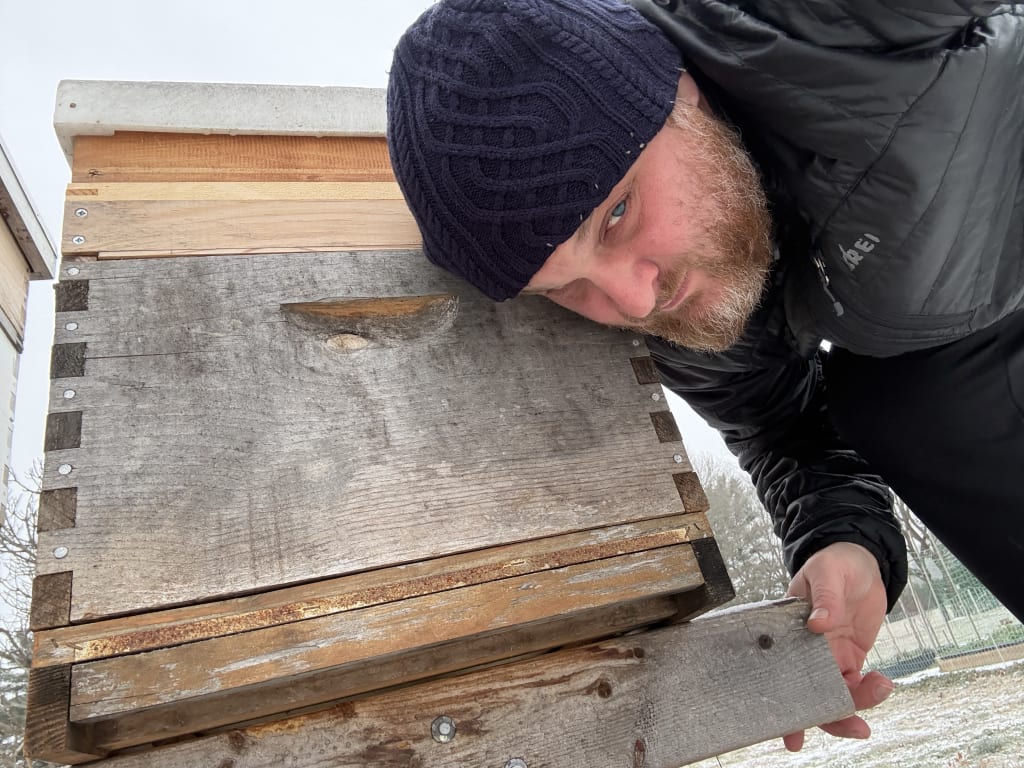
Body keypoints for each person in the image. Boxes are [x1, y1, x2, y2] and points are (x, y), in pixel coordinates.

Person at [385, 0, 1024, 750]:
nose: (629, 299)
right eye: (564, 288)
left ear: (680, 89)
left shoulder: (814, 24)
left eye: (618, 213)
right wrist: (840, 542)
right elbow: (781, 429)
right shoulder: (686, 306)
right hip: (968, 347)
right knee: (905, 409)